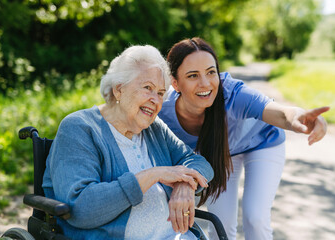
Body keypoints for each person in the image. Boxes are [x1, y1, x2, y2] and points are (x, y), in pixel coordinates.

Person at [158, 37, 329, 240]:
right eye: (193, 75)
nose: (205, 83)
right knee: (221, 222)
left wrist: (300, 117)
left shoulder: (232, 94)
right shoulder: (163, 112)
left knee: (255, 217)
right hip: (220, 152)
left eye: (211, 72)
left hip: (262, 144)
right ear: (175, 83)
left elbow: (281, 113)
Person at [42, 44, 214, 240]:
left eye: (160, 93)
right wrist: (152, 175)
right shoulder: (80, 129)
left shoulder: (154, 128)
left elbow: (199, 163)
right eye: (147, 88)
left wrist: (185, 185)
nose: (155, 100)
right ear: (118, 90)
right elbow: (81, 208)